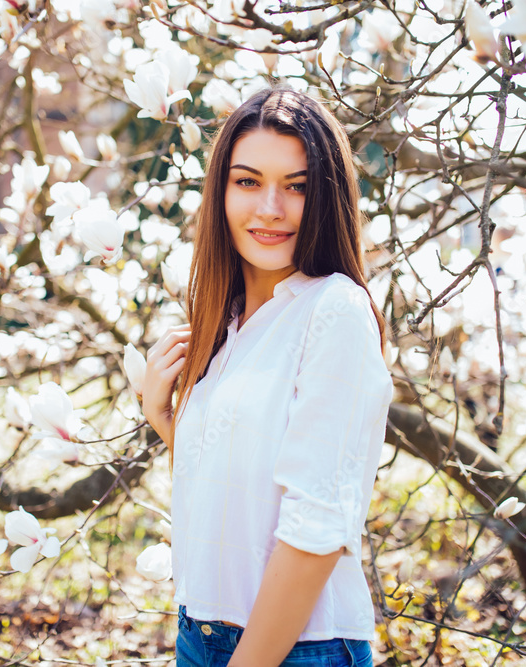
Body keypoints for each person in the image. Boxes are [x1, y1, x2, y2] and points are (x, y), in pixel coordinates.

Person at [141, 87, 393, 667]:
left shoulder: (333, 311)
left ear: (327, 196)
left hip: (299, 647)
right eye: (248, 182)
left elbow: (317, 523)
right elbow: (243, 488)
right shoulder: (227, 324)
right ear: (220, 191)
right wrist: (164, 418)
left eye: (297, 186)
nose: (271, 209)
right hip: (201, 632)